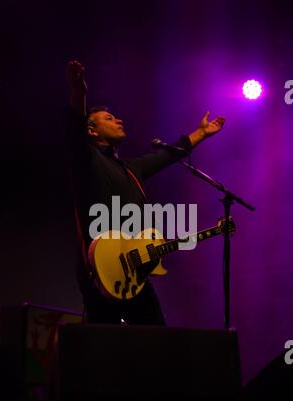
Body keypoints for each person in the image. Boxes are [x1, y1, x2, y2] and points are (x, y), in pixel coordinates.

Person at [66, 60, 225, 325]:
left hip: (133, 269)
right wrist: (78, 91)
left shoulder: (131, 168)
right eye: (108, 118)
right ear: (91, 130)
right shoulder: (87, 159)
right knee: (105, 347)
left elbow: (168, 155)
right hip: (100, 266)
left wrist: (202, 133)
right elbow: (75, 128)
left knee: (153, 340)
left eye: (116, 116)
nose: (118, 120)